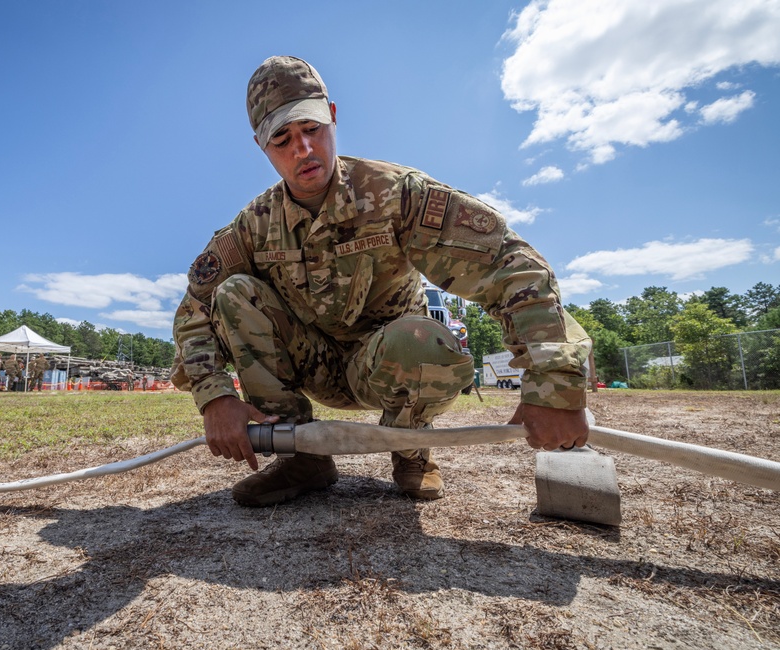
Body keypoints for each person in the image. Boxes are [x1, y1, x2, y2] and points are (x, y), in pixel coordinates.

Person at [170, 56, 591, 508]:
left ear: (332, 114)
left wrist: (554, 384)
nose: (304, 150)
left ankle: (410, 450)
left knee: (422, 337)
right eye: (283, 139)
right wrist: (215, 397)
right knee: (233, 293)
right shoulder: (254, 226)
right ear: (261, 146)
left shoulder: (396, 195)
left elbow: (509, 265)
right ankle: (299, 455)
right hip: (310, 361)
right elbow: (195, 310)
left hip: (387, 362)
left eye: (312, 129)